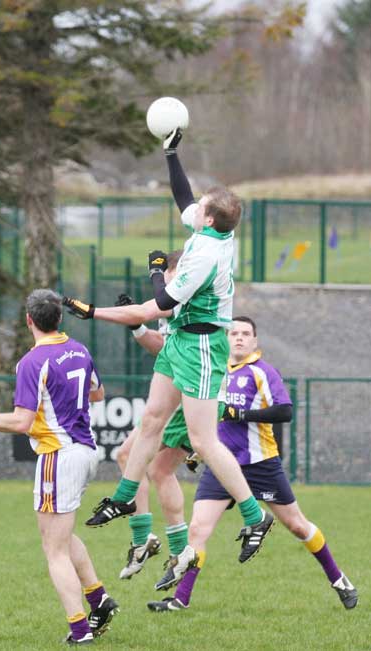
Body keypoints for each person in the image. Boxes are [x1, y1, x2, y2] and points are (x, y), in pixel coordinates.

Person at [64, 128, 274, 581]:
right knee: (151, 420)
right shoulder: (206, 229)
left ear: (212, 221)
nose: (193, 208)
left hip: (200, 346)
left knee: (202, 442)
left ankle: (257, 516)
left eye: (202, 207)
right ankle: (123, 497)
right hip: (180, 341)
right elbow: (183, 196)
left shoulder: (204, 257)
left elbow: (154, 306)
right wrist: (170, 152)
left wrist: (97, 310)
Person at [147, 316, 358, 612]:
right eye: (234, 333)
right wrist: (192, 451)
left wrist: (241, 415)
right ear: (225, 337)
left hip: (260, 464)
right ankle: (180, 599)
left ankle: (339, 580)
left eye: (246, 334)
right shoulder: (212, 371)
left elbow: (284, 411)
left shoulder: (262, 372)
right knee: (197, 529)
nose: (239, 338)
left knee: (297, 526)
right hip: (221, 466)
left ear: (255, 341)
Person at [0, 289, 119, 645]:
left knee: (52, 549)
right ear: (59, 318)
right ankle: (99, 600)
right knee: (63, 537)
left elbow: (21, 422)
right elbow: (98, 394)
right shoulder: (80, 350)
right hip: (86, 452)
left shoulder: (32, 362)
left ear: (29, 320)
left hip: (58, 457)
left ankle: (80, 629)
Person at [112, 252, 195, 586]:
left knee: (131, 457)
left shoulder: (186, 295)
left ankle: (144, 537)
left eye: (171, 272)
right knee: (160, 470)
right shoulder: (177, 302)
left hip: (187, 396)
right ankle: (176, 550)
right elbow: (164, 346)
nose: (168, 279)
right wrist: (137, 326)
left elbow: (175, 348)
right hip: (187, 394)